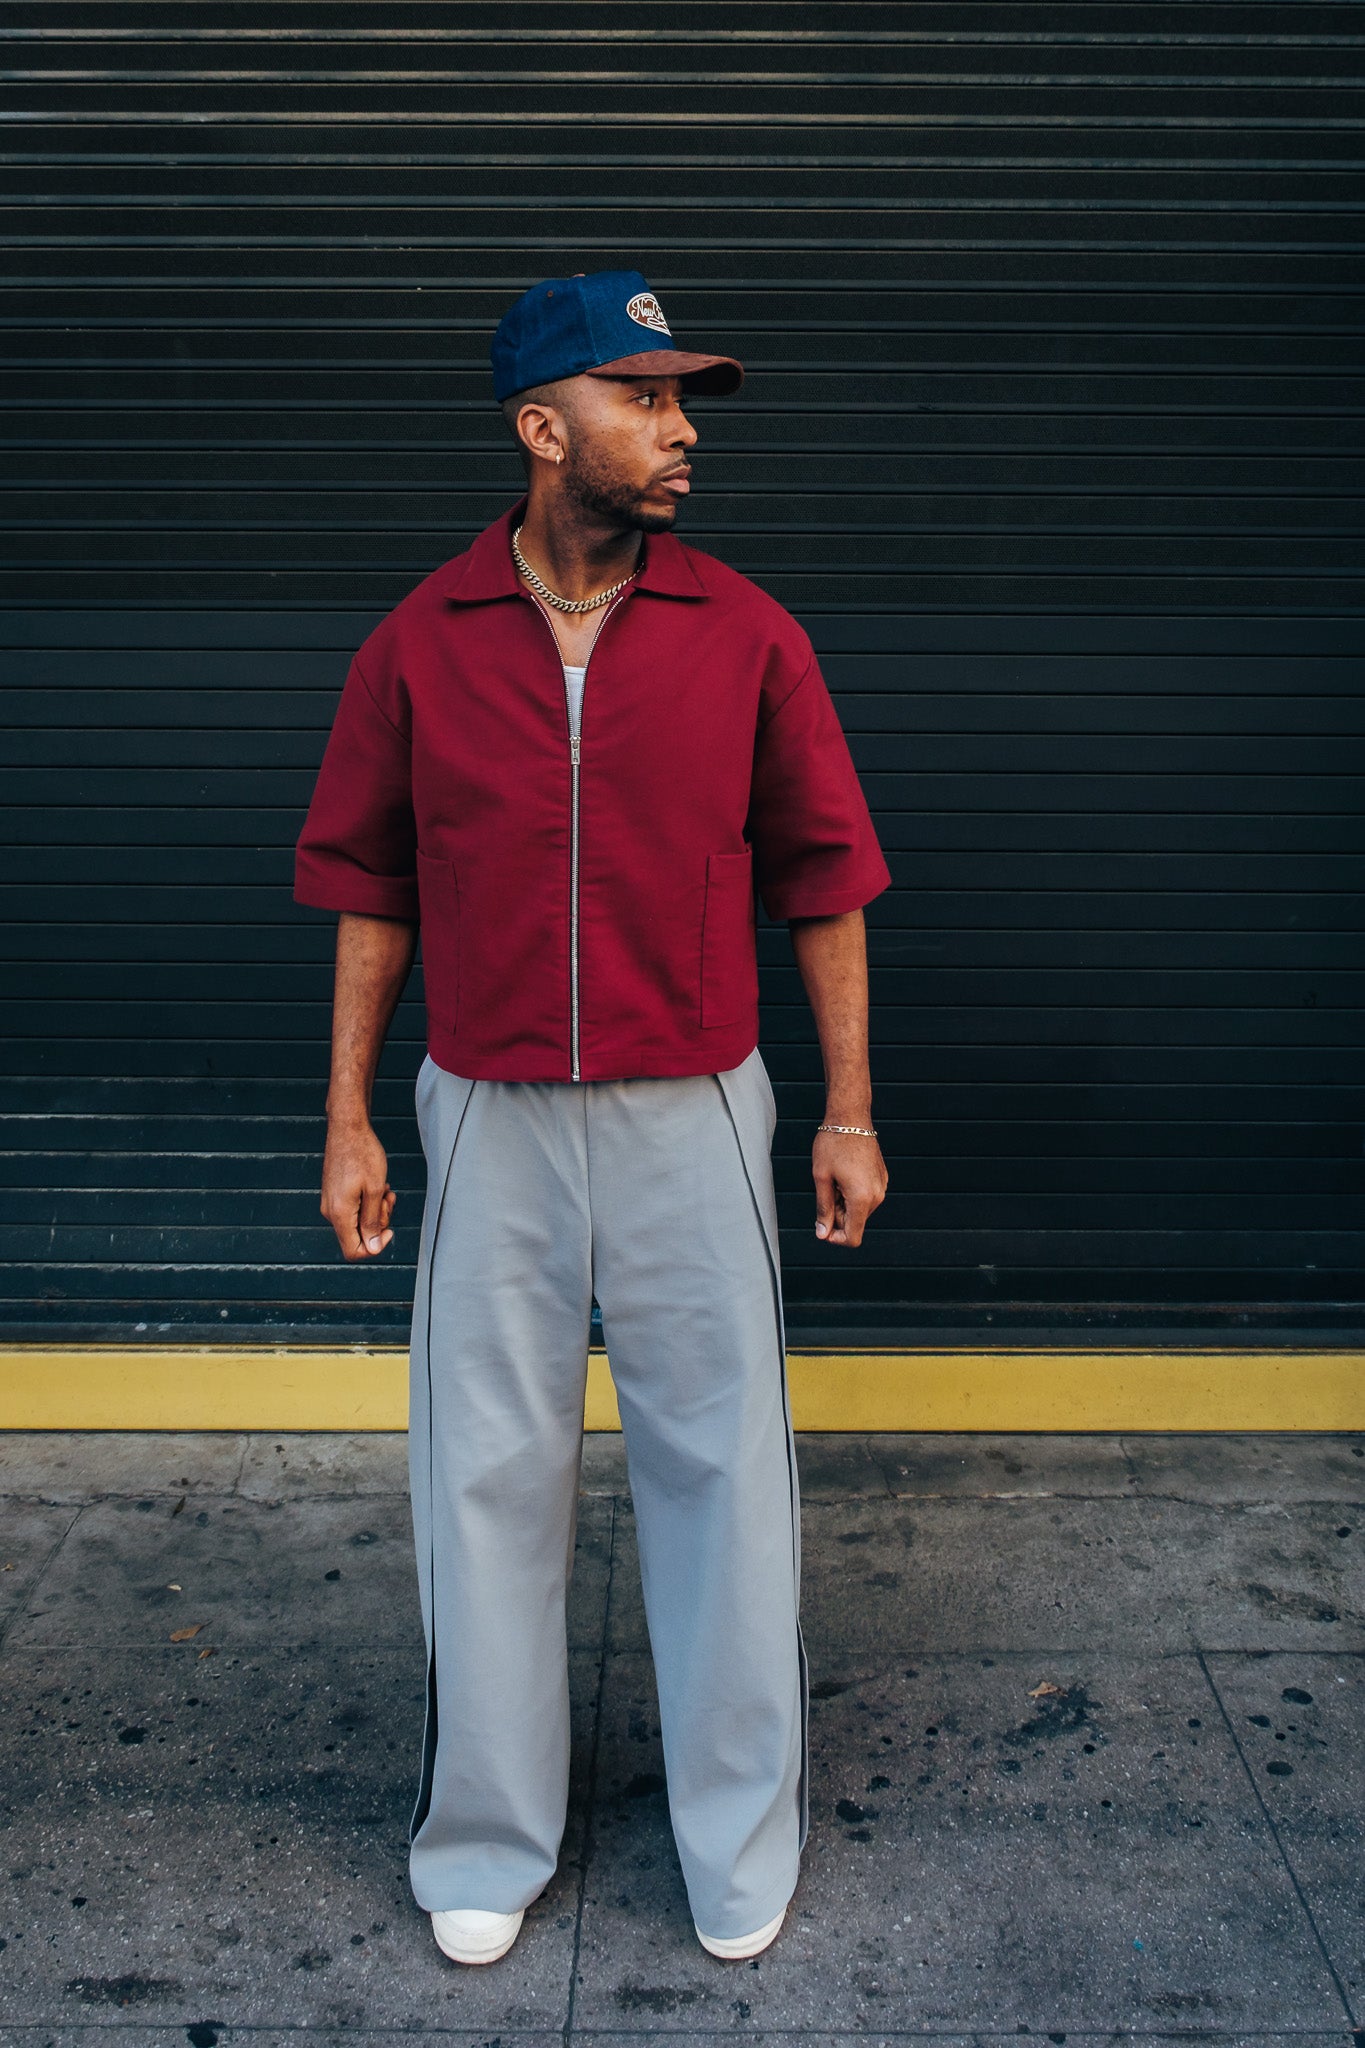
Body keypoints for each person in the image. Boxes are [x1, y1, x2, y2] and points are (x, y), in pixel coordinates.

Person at [293, 269, 892, 1969]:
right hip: (484, 1107)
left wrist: (845, 1107)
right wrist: (349, 1113)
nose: (683, 430)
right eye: (647, 400)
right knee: (481, 1474)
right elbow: (369, 889)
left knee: (723, 1473)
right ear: (544, 427)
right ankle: (484, 1833)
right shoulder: (422, 641)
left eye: (686, 399)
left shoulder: (748, 633)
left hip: (694, 1102)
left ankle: (738, 1840)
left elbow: (827, 884)